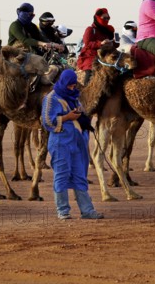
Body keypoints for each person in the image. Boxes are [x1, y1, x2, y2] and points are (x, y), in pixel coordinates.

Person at [41, 69, 103, 220]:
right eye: (69, 85)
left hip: (77, 142)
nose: (71, 88)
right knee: (61, 175)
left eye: (73, 85)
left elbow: (81, 112)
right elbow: (47, 121)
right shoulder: (51, 98)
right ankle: (63, 211)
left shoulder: (75, 97)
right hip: (61, 143)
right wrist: (67, 117)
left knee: (80, 175)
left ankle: (87, 210)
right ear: (63, 82)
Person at [77, 8, 117, 85]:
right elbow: (87, 43)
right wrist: (100, 43)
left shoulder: (108, 31)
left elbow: (114, 46)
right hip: (91, 55)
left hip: (105, 56)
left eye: (107, 18)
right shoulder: (90, 30)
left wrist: (114, 42)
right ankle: (86, 88)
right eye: (104, 18)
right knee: (91, 69)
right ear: (97, 17)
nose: (106, 20)